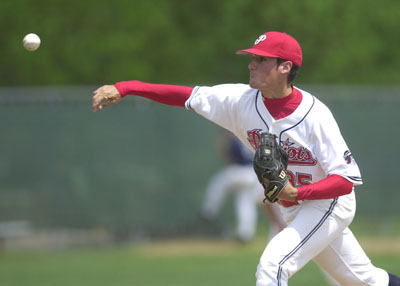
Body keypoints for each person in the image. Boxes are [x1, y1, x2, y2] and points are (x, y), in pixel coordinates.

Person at [92, 31, 400, 286]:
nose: (252, 64)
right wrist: (125, 88)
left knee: (272, 265)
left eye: (262, 59)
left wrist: (299, 193)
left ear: (284, 67)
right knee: (365, 281)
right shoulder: (239, 101)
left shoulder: (315, 116)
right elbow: (184, 95)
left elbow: (345, 181)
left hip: (327, 203)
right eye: (253, 57)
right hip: (294, 209)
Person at [200, 130, 285, 242]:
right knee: (245, 200)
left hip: (242, 172)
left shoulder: (235, 140)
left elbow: (227, 155)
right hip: (255, 175)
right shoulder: (250, 139)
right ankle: (245, 233)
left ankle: (209, 211)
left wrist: (225, 141)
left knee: (219, 181)